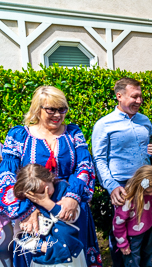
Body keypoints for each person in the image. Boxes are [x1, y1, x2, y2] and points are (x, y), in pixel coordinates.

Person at [0, 86, 101, 267]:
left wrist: (73, 197)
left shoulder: (73, 132)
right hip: (34, 212)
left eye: (62, 109)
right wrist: (26, 211)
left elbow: (85, 166)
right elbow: (7, 176)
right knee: (39, 257)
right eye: (51, 109)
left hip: (71, 210)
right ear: (37, 110)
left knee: (73, 256)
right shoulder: (18, 135)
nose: (57, 115)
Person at [92, 77, 152, 266]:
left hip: (145, 186)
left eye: (140, 97)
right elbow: (98, 159)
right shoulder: (104, 124)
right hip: (122, 188)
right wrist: (112, 186)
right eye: (135, 96)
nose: (139, 101)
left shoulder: (145, 120)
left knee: (145, 231)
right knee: (122, 234)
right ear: (119, 96)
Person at [14, 164, 86, 266]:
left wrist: (47, 203)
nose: (44, 196)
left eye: (45, 190)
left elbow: (73, 217)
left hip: (71, 257)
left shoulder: (65, 190)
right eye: (38, 195)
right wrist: (38, 246)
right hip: (44, 260)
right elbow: (19, 234)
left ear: (50, 178)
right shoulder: (26, 206)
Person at [113, 165, 152, 267]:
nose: (151, 194)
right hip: (133, 238)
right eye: (149, 191)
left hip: (147, 231)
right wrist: (123, 244)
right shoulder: (127, 201)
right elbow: (118, 224)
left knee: (147, 256)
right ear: (140, 187)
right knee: (133, 261)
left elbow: (151, 206)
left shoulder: (148, 194)